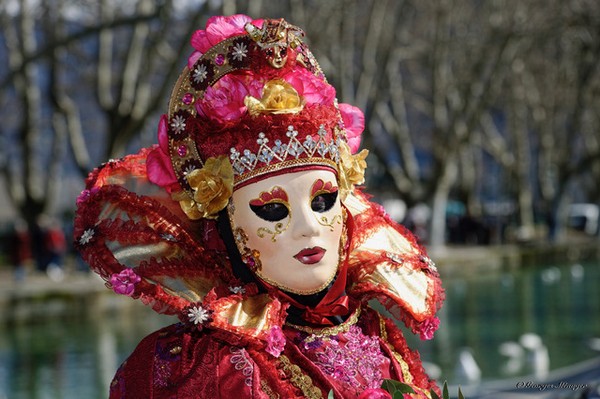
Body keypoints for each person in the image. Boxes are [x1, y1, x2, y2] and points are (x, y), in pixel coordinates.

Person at [74, 14, 444, 399]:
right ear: (226, 227)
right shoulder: (199, 367)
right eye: (272, 210)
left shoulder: (373, 331)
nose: (309, 227)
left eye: (323, 201)